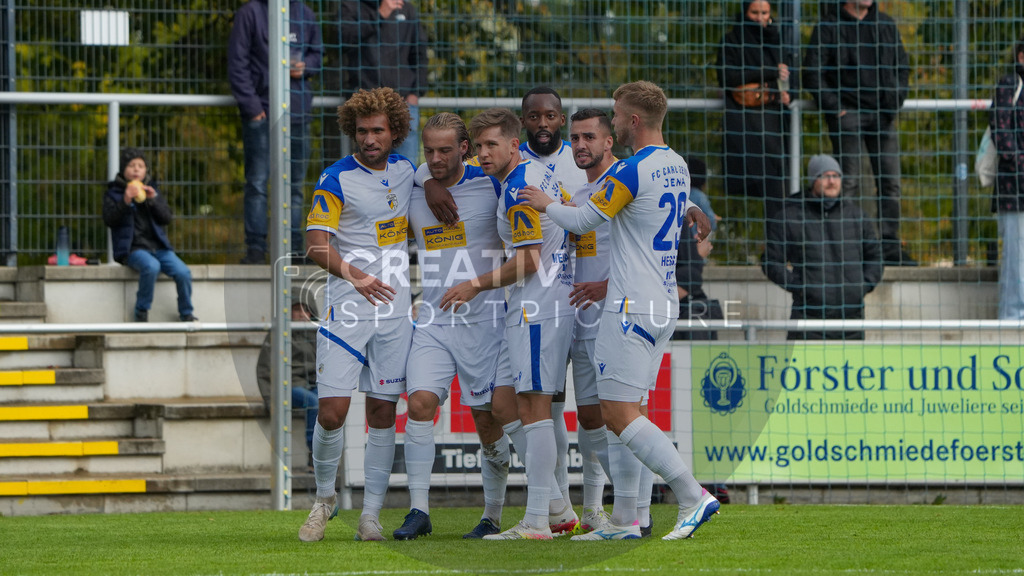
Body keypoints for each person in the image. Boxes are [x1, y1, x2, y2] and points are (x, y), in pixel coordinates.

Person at [519, 81, 719, 542]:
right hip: (663, 303)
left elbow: (583, 219)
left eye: (615, 114)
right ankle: (629, 520)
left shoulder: (630, 172)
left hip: (629, 306)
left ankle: (692, 496)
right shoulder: (676, 165)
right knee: (633, 411)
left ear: (631, 122)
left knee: (618, 413)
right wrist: (691, 208)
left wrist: (546, 204)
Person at [440, 108, 575, 540]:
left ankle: (538, 520)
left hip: (538, 307)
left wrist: (474, 285)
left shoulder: (518, 188)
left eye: (490, 145)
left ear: (514, 145)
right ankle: (558, 510)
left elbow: (529, 260)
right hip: (536, 307)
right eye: (478, 146)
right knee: (516, 410)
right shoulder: (533, 173)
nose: (482, 154)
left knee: (534, 413)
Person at [297, 87, 416, 543]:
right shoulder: (335, 178)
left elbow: (443, 186)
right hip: (348, 308)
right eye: (362, 131)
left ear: (395, 132)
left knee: (383, 412)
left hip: (396, 311)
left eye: (378, 131)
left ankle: (370, 516)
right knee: (332, 412)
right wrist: (357, 276)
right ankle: (324, 500)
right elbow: (315, 244)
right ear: (352, 132)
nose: (370, 139)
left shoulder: (409, 171)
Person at [397, 112, 511, 540]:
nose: (436, 157)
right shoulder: (412, 184)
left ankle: (492, 515)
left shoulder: (494, 182)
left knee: (489, 424)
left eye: (446, 149)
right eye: (429, 151)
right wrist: (427, 181)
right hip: (433, 320)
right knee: (421, 403)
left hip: (486, 321)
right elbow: (393, 181)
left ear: (465, 148)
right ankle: (418, 510)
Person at [803, 0, 915, 266]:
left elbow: (902, 68)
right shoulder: (828, 26)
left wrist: (893, 102)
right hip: (847, 115)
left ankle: (889, 246)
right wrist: (835, 108)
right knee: (847, 183)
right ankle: (846, 246)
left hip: (883, 115)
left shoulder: (885, 25)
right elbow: (812, 73)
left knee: (891, 183)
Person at [228, 0, 323, 264]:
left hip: (298, 113)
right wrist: (253, 108)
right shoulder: (249, 13)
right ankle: (256, 249)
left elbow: (317, 54)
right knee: (257, 183)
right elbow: (238, 65)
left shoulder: (305, 13)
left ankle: (293, 249)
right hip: (262, 114)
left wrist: (305, 66)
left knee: (295, 187)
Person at [762, 154, 883, 340]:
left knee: (851, 370)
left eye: (836, 176)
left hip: (851, 321)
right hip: (808, 320)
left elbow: (876, 258)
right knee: (803, 369)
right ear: (813, 181)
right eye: (825, 176)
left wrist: (862, 286)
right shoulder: (791, 216)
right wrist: (801, 287)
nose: (832, 181)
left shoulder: (857, 217)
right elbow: (771, 261)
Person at [716, 0, 791, 223]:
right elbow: (727, 78)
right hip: (745, 122)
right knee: (760, 184)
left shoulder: (779, 40)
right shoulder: (731, 41)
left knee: (778, 188)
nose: (760, 17)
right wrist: (769, 72)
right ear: (745, 12)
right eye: (755, 12)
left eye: (765, 12)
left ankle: (776, 251)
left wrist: (789, 95)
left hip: (774, 122)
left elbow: (790, 78)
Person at [102, 149, 197, 323]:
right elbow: (109, 219)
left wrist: (153, 201)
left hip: (158, 247)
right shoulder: (114, 193)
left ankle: (186, 312)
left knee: (183, 271)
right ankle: (142, 310)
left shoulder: (152, 190)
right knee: (151, 267)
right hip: (133, 249)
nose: (136, 170)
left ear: (146, 170)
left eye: (141, 166)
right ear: (124, 170)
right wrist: (125, 200)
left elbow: (167, 218)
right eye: (132, 166)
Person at [338, 0, 428, 162]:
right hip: (365, 105)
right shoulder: (350, 6)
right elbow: (344, 39)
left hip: (403, 103)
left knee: (405, 170)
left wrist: (416, 92)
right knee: (368, 172)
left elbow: (419, 52)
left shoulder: (407, 9)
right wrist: (379, 15)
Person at [255, 286, 319, 461]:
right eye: (297, 309)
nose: (302, 314)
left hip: (314, 384)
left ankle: (328, 457)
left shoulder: (317, 332)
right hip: (289, 385)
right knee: (314, 403)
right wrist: (270, 400)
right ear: (288, 310)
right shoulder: (278, 333)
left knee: (329, 401)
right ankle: (314, 457)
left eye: (306, 309)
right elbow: (264, 369)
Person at [991, 34, 1024, 320]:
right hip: (1015, 192)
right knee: (1016, 264)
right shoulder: (1008, 86)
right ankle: (1012, 324)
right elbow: (1002, 136)